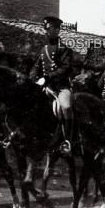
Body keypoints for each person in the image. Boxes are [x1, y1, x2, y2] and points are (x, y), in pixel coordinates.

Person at [29, 16, 74, 151]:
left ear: (58, 30)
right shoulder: (44, 49)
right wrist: (32, 77)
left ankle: (68, 140)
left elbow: (65, 68)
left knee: (66, 107)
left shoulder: (64, 49)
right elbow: (36, 67)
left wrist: (48, 77)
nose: (49, 31)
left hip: (61, 88)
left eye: (53, 29)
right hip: (47, 88)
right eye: (47, 29)